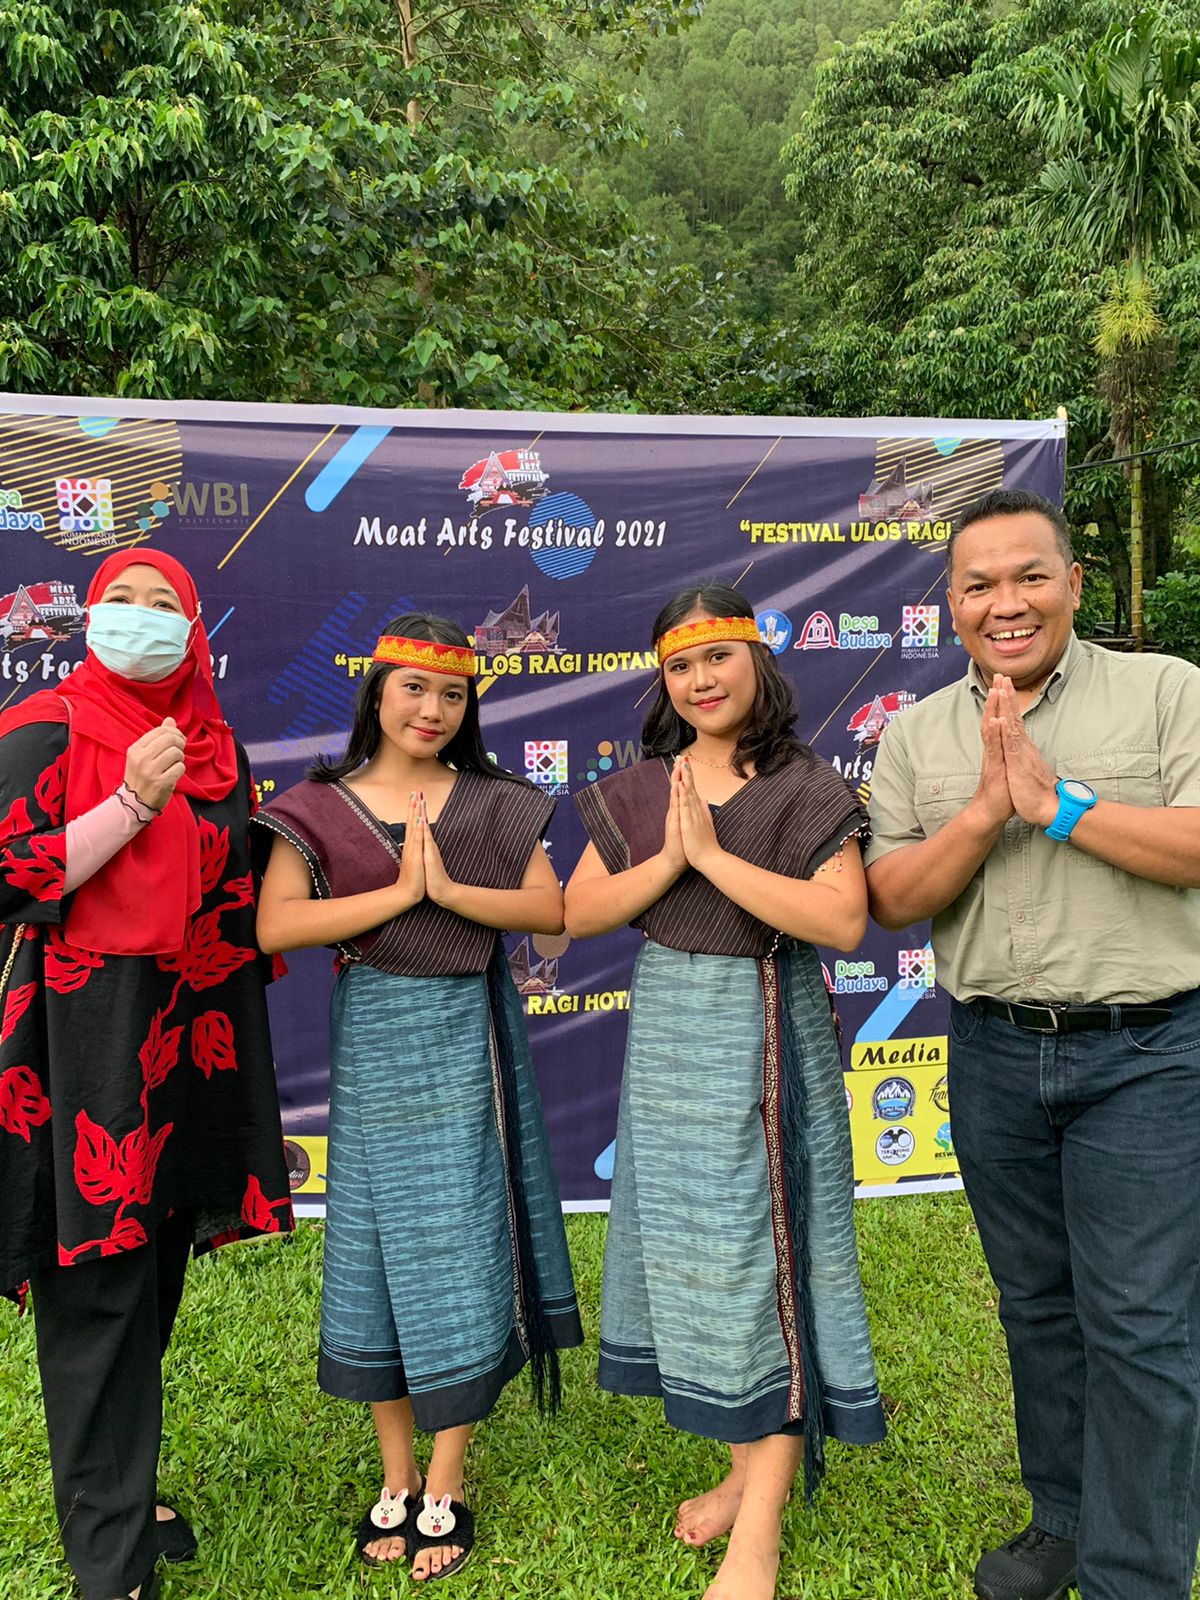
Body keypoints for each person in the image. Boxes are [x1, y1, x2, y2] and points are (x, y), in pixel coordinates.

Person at [865, 487, 1200, 1600]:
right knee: (1038, 1306)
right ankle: (1063, 1519)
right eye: (979, 584)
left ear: (1072, 584)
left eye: (1028, 576)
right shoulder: (916, 734)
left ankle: (1134, 1575)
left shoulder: (1165, 692)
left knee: (1142, 1326)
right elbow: (891, 896)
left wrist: (1055, 805)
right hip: (996, 1053)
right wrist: (978, 814)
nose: (1006, 602)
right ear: (949, 604)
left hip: (1146, 1051)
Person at [564, 583, 885, 1600]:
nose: (701, 680)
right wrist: (670, 854)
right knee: (704, 1255)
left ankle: (761, 1536)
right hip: (668, 1041)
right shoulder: (642, 785)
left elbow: (841, 923)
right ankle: (744, 1466)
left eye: (718, 658)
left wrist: (711, 856)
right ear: (664, 679)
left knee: (772, 1257)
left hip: (763, 1034)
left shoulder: (802, 783)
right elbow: (576, 910)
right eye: (680, 665)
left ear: (757, 660)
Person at [254, 613, 581, 1582]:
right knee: (374, 1253)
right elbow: (276, 926)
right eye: (414, 688)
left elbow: (551, 915)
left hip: (466, 1040)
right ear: (377, 691)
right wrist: (398, 893)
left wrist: (445, 887)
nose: (433, 709)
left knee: (464, 1246)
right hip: (375, 1049)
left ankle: (447, 1479)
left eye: (453, 693)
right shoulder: (317, 804)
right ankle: (393, 1476)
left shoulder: (495, 801)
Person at [0, 550, 293, 1600]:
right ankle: (108, 1564)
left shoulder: (218, 748)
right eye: (119, 601)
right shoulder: (49, 723)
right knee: (97, 1297)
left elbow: (242, 889)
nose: (139, 620)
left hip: (194, 1044)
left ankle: (123, 1486)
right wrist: (128, 801)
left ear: (195, 627)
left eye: (162, 605)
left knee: (152, 1276)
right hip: (88, 1051)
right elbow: (6, 872)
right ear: (88, 617)